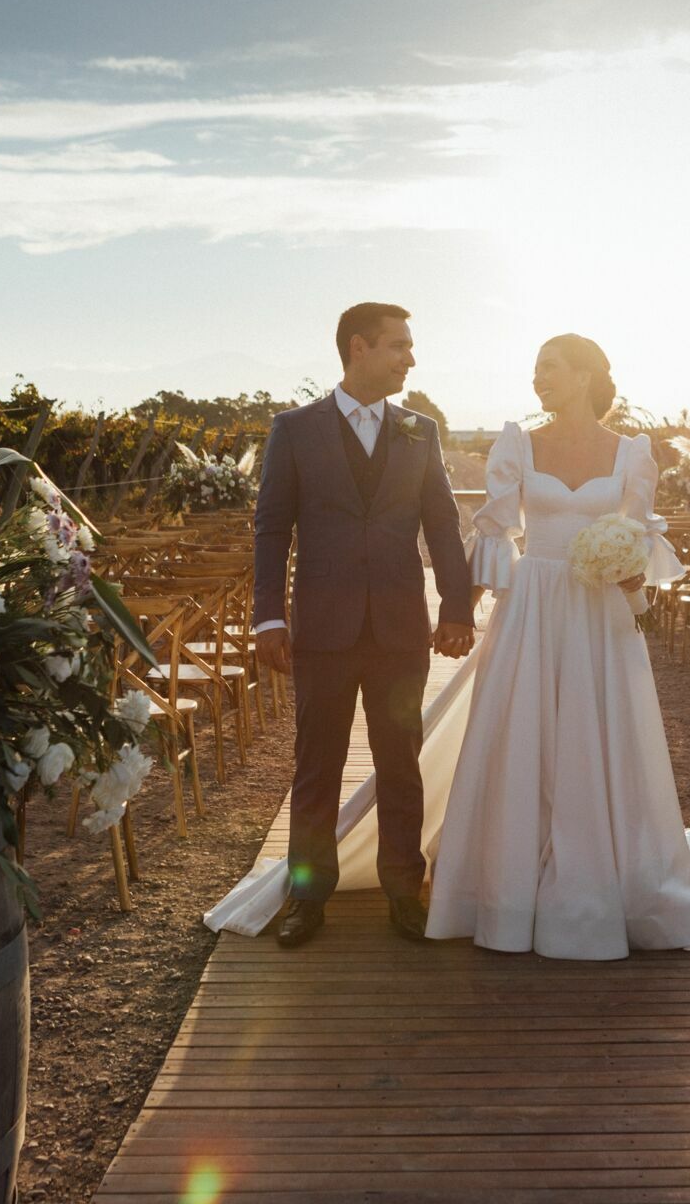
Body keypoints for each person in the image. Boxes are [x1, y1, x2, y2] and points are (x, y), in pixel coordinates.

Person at [210, 332, 690, 971]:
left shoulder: (630, 452)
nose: (538, 379)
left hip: (594, 617)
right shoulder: (513, 444)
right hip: (524, 609)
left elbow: (630, 533)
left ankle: (535, 885)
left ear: (585, 375)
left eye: (549, 368)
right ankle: (344, 894)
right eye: (535, 369)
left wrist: (627, 571)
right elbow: (490, 529)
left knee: (574, 739)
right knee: (497, 738)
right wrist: (460, 608)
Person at [245, 302, 475, 950]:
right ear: (359, 348)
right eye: (398, 345)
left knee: (401, 762)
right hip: (323, 629)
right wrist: (269, 616)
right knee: (316, 765)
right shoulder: (295, 430)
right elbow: (271, 528)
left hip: (401, 628)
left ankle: (404, 890)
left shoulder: (420, 431)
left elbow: (443, 524)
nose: (410, 358)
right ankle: (306, 896)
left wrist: (457, 608)